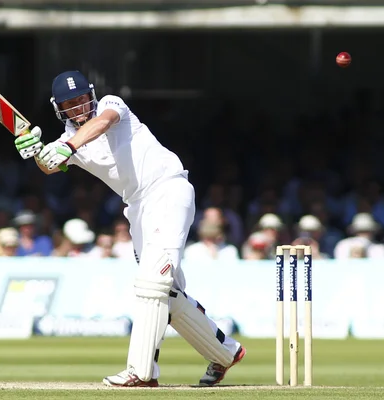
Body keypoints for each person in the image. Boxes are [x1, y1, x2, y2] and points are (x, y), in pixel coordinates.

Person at [13, 70, 245, 387]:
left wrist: (67, 147)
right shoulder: (68, 139)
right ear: (60, 109)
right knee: (167, 293)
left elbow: (101, 123)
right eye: (71, 104)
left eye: (82, 99)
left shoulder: (110, 105)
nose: (79, 108)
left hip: (167, 190)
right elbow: (50, 164)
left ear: (91, 95)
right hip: (137, 209)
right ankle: (225, 352)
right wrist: (37, 152)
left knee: (152, 282)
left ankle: (141, 372)